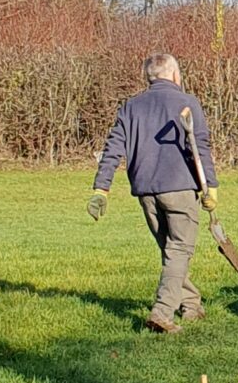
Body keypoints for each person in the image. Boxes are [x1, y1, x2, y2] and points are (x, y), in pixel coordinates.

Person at [88, 52, 218, 333]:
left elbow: (112, 149)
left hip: (146, 191)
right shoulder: (187, 102)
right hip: (180, 187)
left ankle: (192, 304)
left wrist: (102, 188)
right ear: (174, 75)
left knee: (171, 252)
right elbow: (201, 146)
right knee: (179, 250)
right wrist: (211, 186)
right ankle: (162, 313)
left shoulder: (131, 107)